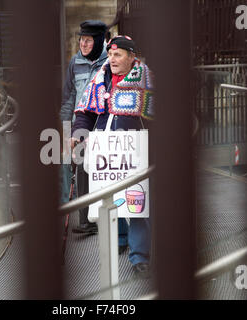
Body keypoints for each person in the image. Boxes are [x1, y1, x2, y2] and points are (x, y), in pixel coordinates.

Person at [71, 35, 154, 276]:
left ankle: (140, 256)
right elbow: (85, 111)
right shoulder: (100, 78)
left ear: (131, 57)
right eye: (110, 54)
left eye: (118, 55)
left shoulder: (145, 79)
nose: (112, 59)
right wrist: (77, 132)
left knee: (136, 201)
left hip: (134, 150)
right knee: (110, 197)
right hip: (105, 149)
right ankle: (119, 240)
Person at [59, 20, 108, 234]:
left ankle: (103, 217)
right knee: (78, 169)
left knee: (99, 170)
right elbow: (69, 97)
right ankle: (85, 220)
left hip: (102, 125)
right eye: (81, 40)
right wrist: (64, 127)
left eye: (88, 41)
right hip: (80, 124)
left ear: (98, 41)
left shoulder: (110, 62)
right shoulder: (75, 63)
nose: (83, 45)